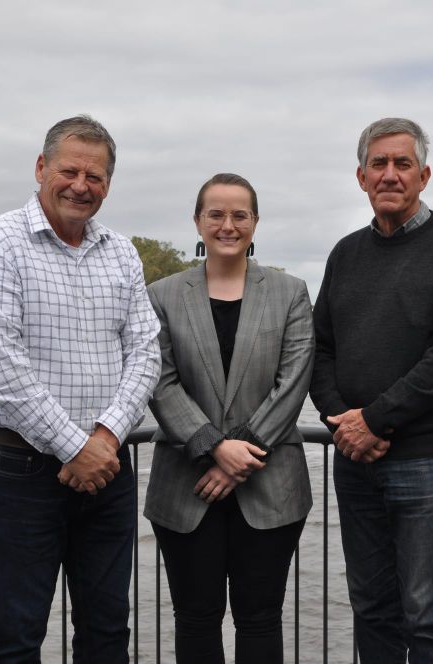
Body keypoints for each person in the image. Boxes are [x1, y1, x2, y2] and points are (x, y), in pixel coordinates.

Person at [0, 114, 161, 663]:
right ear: (41, 167)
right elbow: (0, 363)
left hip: (108, 470)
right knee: (18, 633)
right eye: (69, 170)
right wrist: (76, 447)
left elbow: (146, 352)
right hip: (22, 470)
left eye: (95, 177)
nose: (81, 185)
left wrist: (105, 436)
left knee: (107, 629)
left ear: (108, 185)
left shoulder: (122, 252)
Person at [309, 118, 433, 663]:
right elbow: (319, 349)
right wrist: (344, 422)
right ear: (361, 177)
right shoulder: (345, 254)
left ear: (424, 176)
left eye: (402, 163)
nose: (390, 174)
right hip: (356, 458)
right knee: (371, 607)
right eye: (379, 164)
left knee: (425, 613)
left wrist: (375, 421)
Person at [143, 173, 314, 664]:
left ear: (255, 223)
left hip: (270, 488)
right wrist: (215, 448)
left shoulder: (290, 292)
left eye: (240, 214)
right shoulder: (162, 296)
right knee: (195, 619)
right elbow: (160, 381)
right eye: (215, 213)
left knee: (260, 619)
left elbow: (294, 382)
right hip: (185, 485)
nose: (227, 224)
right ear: (198, 221)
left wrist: (239, 453)